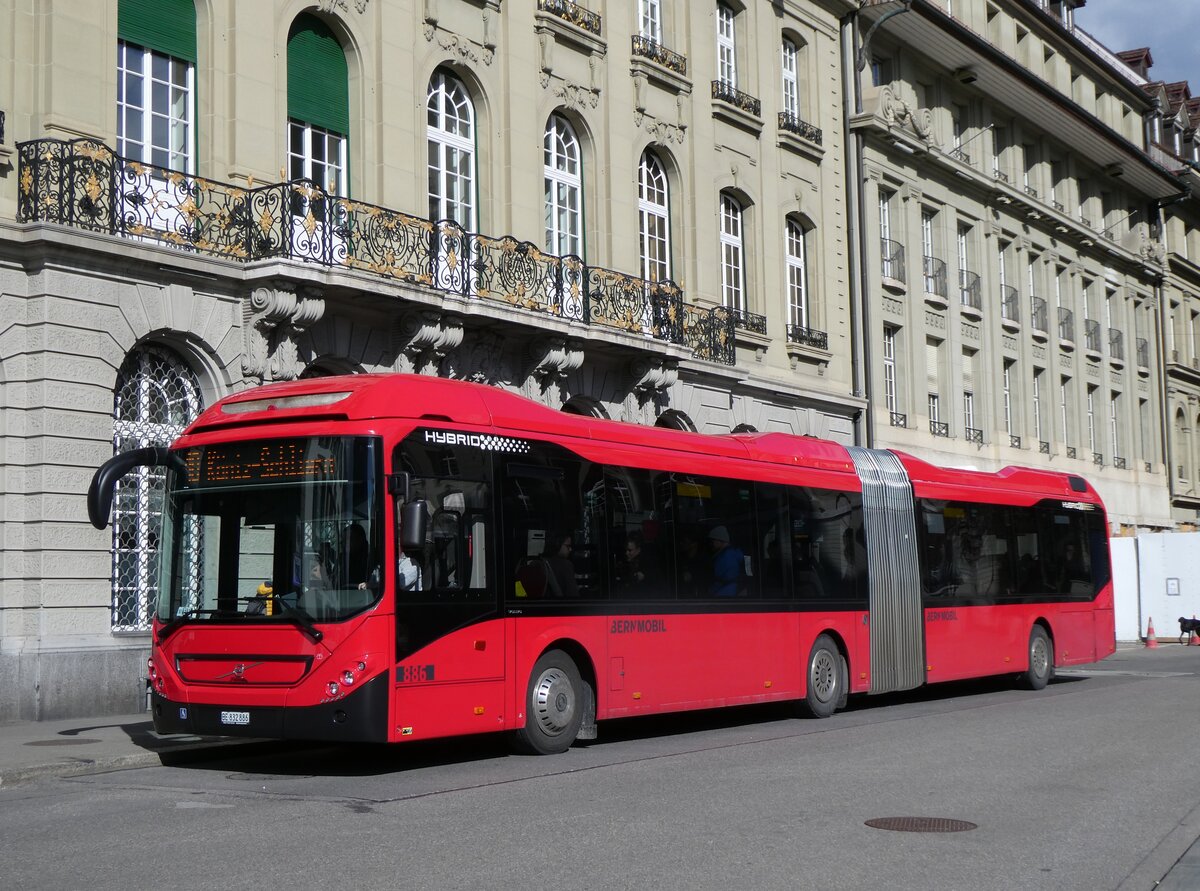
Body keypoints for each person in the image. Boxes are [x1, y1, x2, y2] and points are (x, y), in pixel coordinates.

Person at [708, 525, 744, 597]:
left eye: (713, 540)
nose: (712, 543)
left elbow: (718, 578)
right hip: (732, 591)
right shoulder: (734, 553)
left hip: (724, 593)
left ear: (721, 539)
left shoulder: (725, 556)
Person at [545, 533, 579, 597]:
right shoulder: (566, 565)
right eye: (568, 546)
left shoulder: (538, 563)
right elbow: (573, 595)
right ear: (557, 545)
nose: (570, 549)